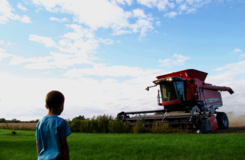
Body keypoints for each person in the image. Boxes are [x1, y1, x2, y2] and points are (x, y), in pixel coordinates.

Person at [36, 90, 72, 160]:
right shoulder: (61, 122)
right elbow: (64, 144)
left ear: (46, 106)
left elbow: (38, 143)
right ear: (61, 105)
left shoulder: (40, 122)